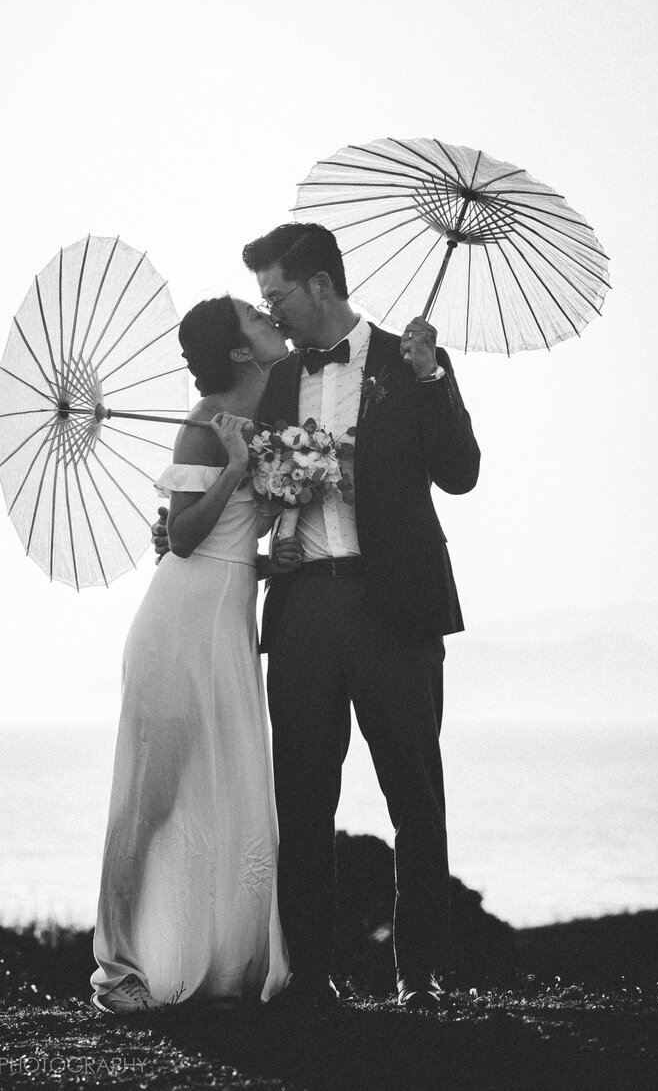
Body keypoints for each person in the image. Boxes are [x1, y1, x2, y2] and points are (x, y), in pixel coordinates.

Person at [155, 222, 480, 1015]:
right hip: (302, 608)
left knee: (416, 796)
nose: (273, 311)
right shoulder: (276, 381)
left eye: (276, 296)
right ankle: (309, 977)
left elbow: (461, 473)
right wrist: (187, 525)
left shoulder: (412, 362)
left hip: (395, 603)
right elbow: (242, 480)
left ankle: (421, 976)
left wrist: (432, 375)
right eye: (263, 300)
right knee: (302, 798)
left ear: (320, 286)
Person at [90, 294, 301, 1015]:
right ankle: (117, 972)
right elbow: (180, 537)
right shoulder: (203, 426)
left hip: (228, 621)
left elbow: (231, 542)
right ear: (241, 351)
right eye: (255, 316)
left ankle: (223, 962)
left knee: (226, 785)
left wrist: (270, 562)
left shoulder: (259, 416)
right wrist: (238, 468)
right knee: (150, 799)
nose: (269, 319)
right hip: (179, 628)